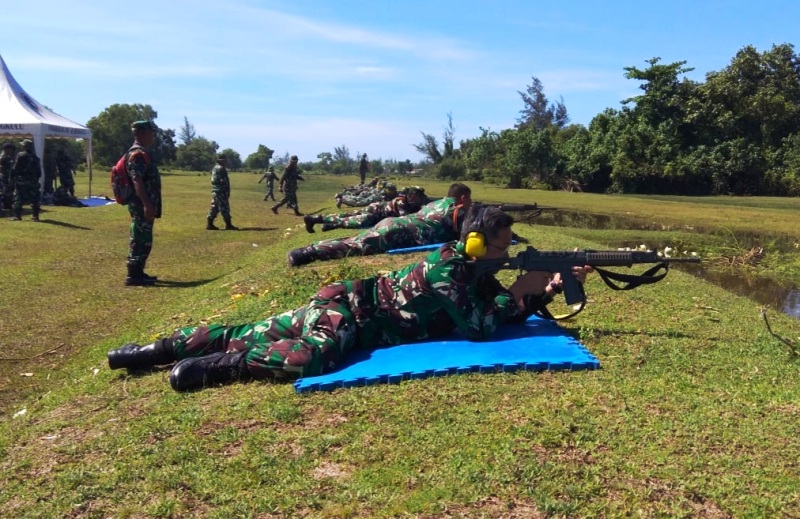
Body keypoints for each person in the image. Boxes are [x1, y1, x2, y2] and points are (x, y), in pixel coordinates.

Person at [106, 204, 592, 391]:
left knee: (249, 329)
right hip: (348, 316)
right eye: (505, 246)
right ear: (477, 245)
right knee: (316, 355)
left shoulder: (468, 268)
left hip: (340, 301)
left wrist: (540, 292)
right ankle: (220, 364)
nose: (510, 253)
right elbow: (481, 328)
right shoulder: (449, 269)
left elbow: (490, 309)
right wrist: (522, 292)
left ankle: (160, 350)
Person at [287, 182, 472, 267]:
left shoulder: (434, 204)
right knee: (355, 245)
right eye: (469, 199)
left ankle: (312, 247)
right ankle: (304, 254)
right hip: (399, 232)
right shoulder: (457, 208)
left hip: (393, 225)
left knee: (355, 240)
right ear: (463, 197)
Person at [124, 120, 162, 287]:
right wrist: (147, 204)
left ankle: (138, 272)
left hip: (143, 203)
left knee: (144, 237)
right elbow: (137, 180)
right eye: (150, 132)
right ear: (141, 133)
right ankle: (133, 275)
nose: (153, 136)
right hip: (141, 204)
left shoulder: (142, 152)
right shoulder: (137, 154)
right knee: (140, 237)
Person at [303, 186, 428, 233]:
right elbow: (404, 219)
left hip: (375, 209)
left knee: (348, 215)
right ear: (411, 195)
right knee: (351, 220)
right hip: (375, 213)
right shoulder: (402, 201)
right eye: (417, 197)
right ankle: (315, 219)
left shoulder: (409, 200)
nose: (418, 199)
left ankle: (325, 224)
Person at [9, 139, 42, 222]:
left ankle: (17, 215)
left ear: (24, 146)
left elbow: (15, 168)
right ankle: (35, 216)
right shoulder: (36, 158)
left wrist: (11, 177)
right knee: (34, 198)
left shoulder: (20, 155)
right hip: (33, 181)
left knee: (18, 197)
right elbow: (39, 172)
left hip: (22, 180)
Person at [206, 154, 237, 230]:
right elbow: (224, 181)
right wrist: (227, 191)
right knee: (225, 208)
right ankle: (228, 225)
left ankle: (209, 224)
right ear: (222, 161)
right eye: (225, 160)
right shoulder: (221, 168)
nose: (226, 161)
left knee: (215, 208)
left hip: (215, 190)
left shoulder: (215, 168)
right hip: (221, 191)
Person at [0, 142, 16, 216]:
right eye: (10, 149)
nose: (11, 150)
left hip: (9, 177)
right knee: (5, 192)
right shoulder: (2, 157)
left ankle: (8, 205)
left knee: (9, 192)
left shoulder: (10, 157)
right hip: (4, 177)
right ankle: (5, 205)